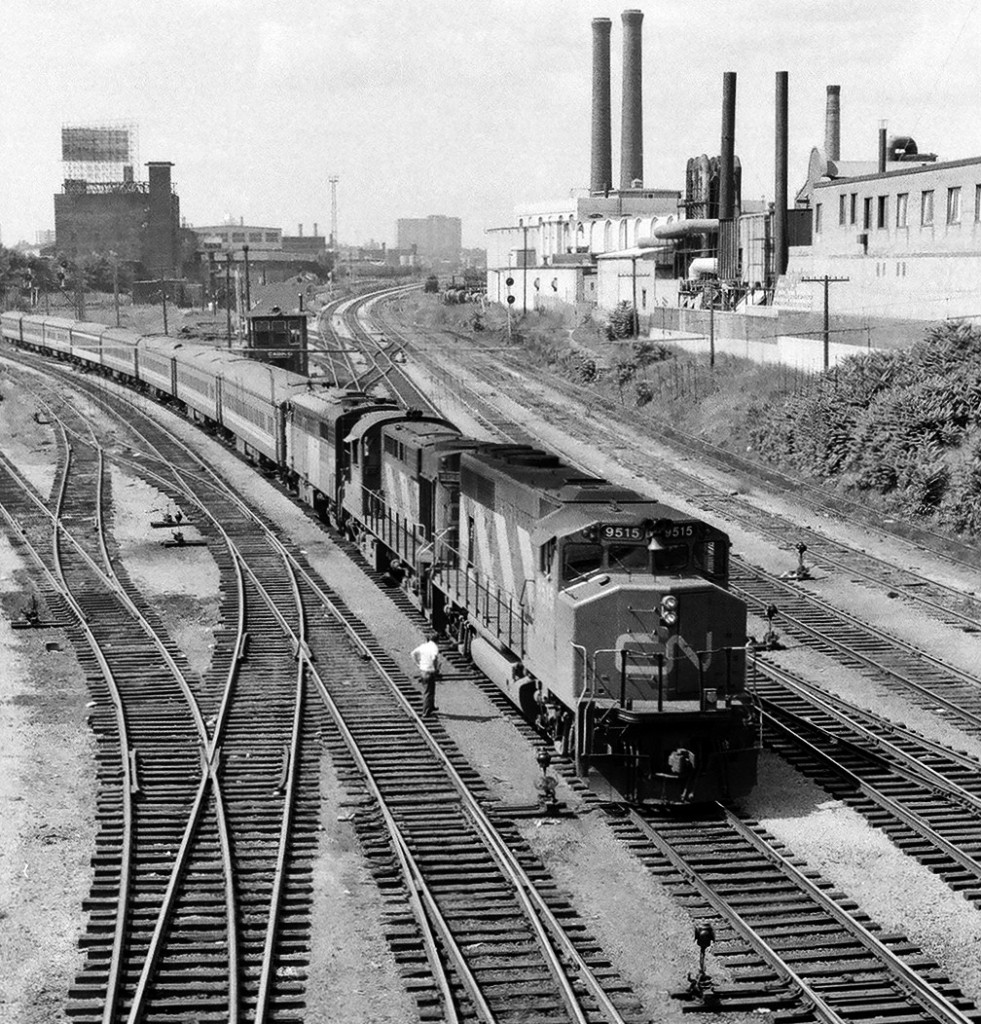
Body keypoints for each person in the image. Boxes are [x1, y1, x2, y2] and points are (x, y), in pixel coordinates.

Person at [411, 631, 441, 718]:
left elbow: (413, 653)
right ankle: (425, 712)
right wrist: (435, 667)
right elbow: (434, 657)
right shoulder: (434, 647)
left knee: (431, 690)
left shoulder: (424, 646)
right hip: (429, 671)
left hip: (423, 671)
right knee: (428, 692)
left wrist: (418, 663)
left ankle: (431, 707)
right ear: (437, 640)